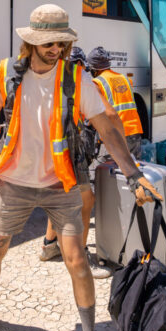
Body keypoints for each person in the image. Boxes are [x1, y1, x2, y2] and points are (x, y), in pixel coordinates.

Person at [0, 4, 161, 331]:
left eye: (62, 41)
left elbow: (105, 126)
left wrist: (133, 172)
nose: (57, 48)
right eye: (49, 42)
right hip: (12, 180)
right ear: (32, 42)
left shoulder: (76, 77)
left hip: (62, 182)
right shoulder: (7, 72)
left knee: (76, 260)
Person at [37, 46, 123, 279]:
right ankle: (83, 260)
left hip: (50, 151)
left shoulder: (49, 83)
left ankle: (48, 246)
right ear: (82, 67)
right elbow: (111, 115)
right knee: (86, 201)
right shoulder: (82, 83)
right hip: (70, 152)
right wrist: (121, 146)